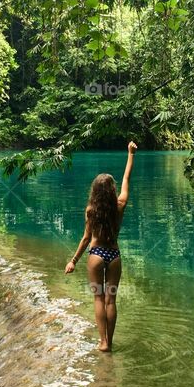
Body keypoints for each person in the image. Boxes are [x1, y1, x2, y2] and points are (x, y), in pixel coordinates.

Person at [65, 141, 137, 352]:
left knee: (98, 297)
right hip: (113, 256)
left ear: (95, 191)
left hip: (96, 255)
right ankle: (110, 342)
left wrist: (73, 261)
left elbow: (86, 239)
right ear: (112, 190)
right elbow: (126, 178)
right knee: (110, 300)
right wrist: (130, 154)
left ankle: (103, 342)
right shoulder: (120, 205)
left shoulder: (90, 210)